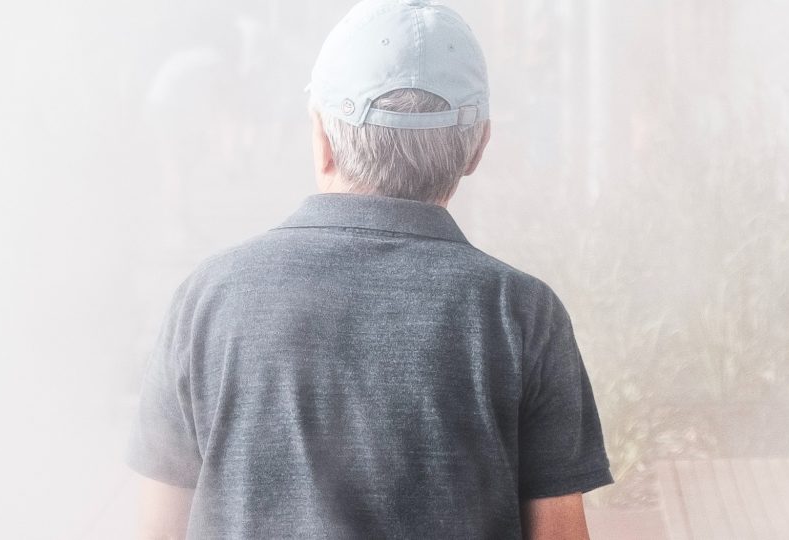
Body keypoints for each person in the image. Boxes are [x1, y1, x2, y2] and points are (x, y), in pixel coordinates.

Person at [125, 0, 613, 538]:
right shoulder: (521, 314)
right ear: (478, 147)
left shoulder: (207, 300)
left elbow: (157, 529)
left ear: (322, 139)